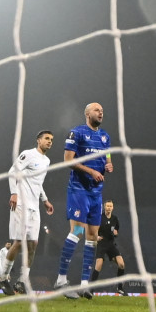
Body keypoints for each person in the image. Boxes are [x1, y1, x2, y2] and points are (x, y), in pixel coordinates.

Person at [55, 104, 112, 300]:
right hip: (79, 190)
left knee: (93, 236)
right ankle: (61, 280)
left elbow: (107, 153)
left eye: (102, 110)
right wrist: (92, 171)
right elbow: (68, 160)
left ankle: (85, 285)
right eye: (97, 110)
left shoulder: (105, 136)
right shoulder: (77, 133)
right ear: (87, 114)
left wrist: (108, 163)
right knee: (77, 232)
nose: (100, 112)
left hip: (96, 193)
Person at [0, 130, 55, 295]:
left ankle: (22, 282)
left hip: (34, 207)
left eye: (51, 139)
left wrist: (45, 200)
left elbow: (39, 183)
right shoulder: (28, 154)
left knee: (33, 244)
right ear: (38, 140)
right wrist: (13, 193)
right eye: (46, 138)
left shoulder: (47, 161)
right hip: (21, 203)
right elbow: (11, 172)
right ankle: (3, 277)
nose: (50, 141)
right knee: (19, 242)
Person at [90, 199, 129, 296]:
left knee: (121, 264)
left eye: (110, 206)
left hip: (111, 244)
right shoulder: (99, 218)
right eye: (107, 206)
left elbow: (116, 231)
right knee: (98, 265)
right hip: (102, 243)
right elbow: (93, 230)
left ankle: (120, 288)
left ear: (113, 207)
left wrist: (116, 233)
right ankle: (90, 290)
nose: (109, 208)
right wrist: (96, 236)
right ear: (104, 207)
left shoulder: (115, 219)